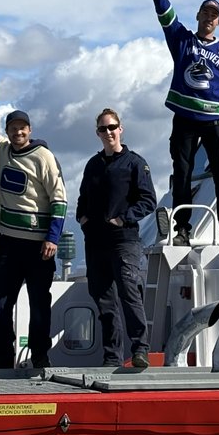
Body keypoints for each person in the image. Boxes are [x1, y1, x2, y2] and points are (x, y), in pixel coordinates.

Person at [142, 0, 219, 246]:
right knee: (183, 175)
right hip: (185, 117)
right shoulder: (182, 40)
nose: (209, 19)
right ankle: (183, 229)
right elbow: (165, 12)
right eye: (205, 13)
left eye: (214, 16)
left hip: (214, 120)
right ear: (198, 16)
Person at [0, 93, 66, 369]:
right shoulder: (2, 150)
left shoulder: (43, 156)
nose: (18, 131)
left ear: (29, 130)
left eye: (22, 127)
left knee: (39, 305)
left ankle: (40, 356)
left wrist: (52, 237)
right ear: (8, 131)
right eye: (13, 127)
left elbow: (59, 198)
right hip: (9, 244)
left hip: (38, 246)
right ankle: (4, 358)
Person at [76, 108, 157, 369]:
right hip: (96, 242)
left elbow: (148, 200)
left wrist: (124, 218)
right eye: (103, 128)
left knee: (128, 291)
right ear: (97, 133)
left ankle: (140, 350)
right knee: (104, 301)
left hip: (124, 239)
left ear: (120, 129)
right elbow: (82, 199)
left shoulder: (135, 162)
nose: (108, 132)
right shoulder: (92, 164)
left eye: (112, 127)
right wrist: (82, 218)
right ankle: (111, 357)